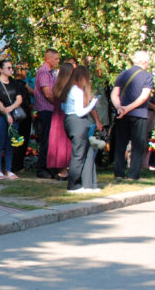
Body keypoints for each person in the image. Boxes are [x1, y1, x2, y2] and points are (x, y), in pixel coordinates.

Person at [110, 50, 153, 181]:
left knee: (120, 143)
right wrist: (128, 108)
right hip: (139, 114)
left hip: (122, 114)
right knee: (138, 145)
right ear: (144, 62)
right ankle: (134, 175)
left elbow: (114, 94)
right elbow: (144, 97)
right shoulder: (147, 76)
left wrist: (120, 108)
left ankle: (119, 173)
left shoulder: (123, 74)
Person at [58, 65, 101, 193]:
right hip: (77, 122)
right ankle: (73, 185)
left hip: (70, 121)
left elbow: (64, 108)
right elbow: (80, 112)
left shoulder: (68, 89)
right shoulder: (77, 90)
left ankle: (89, 184)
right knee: (78, 154)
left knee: (87, 153)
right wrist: (93, 103)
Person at [0, 59, 24, 180]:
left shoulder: (14, 83)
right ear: (1, 70)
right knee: (0, 141)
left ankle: (9, 169)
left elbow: (19, 99)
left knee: (11, 142)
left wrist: (10, 109)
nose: (11, 70)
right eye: (8, 68)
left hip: (13, 115)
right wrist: (5, 113)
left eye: (11, 67)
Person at [33, 48, 60, 178]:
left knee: (51, 140)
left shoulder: (51, 73)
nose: (57, 61)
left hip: (50, 110)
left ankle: (49, 167)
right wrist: (58, 103)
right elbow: (48, 93)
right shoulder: (44, 72)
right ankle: (42, 168)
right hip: (46, 109)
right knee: (46, 140)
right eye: (56, 59)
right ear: (48, 58)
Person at [47, 63, 75, 179]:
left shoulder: (57, 85)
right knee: (65, 143)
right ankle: (64, 171)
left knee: (57, 142)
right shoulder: (69, 87)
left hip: (56, 116)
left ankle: (58, 168)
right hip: (65, 115)